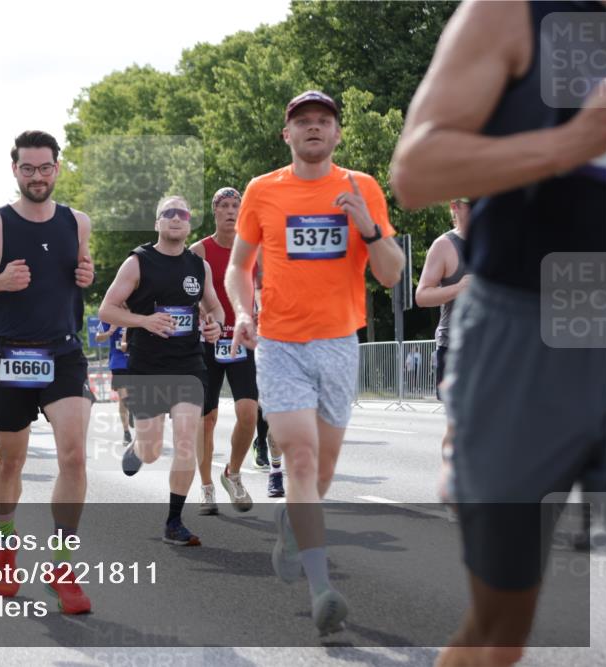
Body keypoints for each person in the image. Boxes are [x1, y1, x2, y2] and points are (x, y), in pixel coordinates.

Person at [390, 2, 606, 664]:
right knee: (501, 629)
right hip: (527, 326)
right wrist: (576, 141)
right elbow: (417, 170)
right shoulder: (512, 13)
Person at [227, 90, 403, 635]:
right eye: (302, 122)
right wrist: (241, 310)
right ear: (287, 135)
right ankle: (322, 587)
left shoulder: (362, 188)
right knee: (300, 460)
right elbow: (239, 267)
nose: (313, 129)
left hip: (337, 344)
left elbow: (394, 275)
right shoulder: (263, 190)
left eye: (323, 121)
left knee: (321, 473)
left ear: (337, 133)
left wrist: (367, 227)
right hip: (279, 343)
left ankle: (289, 526)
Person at [0, 129, 95, 614]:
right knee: (10, 461)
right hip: (11, 354)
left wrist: (86, 277)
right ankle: (7, 545)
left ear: (57, 167)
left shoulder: (78, 222)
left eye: (45, 167)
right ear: (15, 170)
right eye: (28, 168)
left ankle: (62, 564)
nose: (37, 176)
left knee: (73, 458)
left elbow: (77, 277)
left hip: (64, 353)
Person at [99, 194, 225, 546]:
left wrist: (214, 324)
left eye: (181, 213)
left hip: (189, 364)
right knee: (153, 450)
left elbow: (214, 308)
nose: (175, 218)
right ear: (157, 223)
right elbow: (108, 310)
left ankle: (174, 521)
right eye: (167, 213)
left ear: (189, 223)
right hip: (147, 366)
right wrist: (145, 321)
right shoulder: (138, 262)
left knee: (187, 440)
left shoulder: (199, 266)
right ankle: (138, 448)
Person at [190, 186, 260, 516]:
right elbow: (186, 294)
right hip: (207, 343)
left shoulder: (252, 249)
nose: (232, 211)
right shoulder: (198, 251)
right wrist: (203, 317)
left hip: (241, 342)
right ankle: (205, 488)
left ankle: (232, 473)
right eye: (225, 206)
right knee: (207, 419)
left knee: (248, 413)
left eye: (237, 206)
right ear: (215, 211)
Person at [415, 197, 472, 500]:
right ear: (455, 206)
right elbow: (422, 295)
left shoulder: (498, 241)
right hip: (455, 347)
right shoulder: (445, 246)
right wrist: (458, 288)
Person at [94, 319, 132, 445]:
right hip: (119, 362)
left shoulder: (137, 311)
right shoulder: (109, 316)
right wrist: (110, 331)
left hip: (136, 361)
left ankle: (133, 409)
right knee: (123, 397)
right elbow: (98, 338)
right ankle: (126, 432)